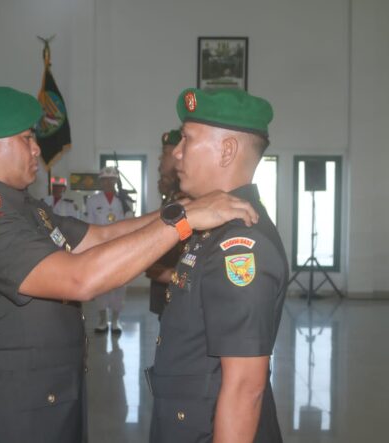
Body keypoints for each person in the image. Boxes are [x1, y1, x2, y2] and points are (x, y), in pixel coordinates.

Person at [0, 86, 259, 443]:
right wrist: (184, 222)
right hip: (11, 416)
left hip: (50, 401)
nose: (36, 149)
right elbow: (79, 279)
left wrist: (182, 210)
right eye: (27, 138)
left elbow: (103, 237)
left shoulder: (25, 209)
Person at [148, 88, 288, 443]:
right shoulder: (211, 225)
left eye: (188, 141)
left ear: (227, 150)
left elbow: (244, 388)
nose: (176, 153)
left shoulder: (240, 245)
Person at [85, 166, 134, 334]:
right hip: (100, 248)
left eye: (111, 179)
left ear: (115, 181)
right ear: (100, 181)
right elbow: (90, 224)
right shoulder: (92, 201)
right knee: (101, 285)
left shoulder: (123, 200)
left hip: (120, 249)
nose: (108, 182)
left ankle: (115, 321)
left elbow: (130, 224)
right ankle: (102, 321)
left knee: (119, 286)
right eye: (104, 179)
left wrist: (128, 208)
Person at [145, 129, 184, 318]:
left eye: (166, 153)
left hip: (176, 277)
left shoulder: (185, 197)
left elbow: (184, 237)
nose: (161, 159)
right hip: (165, 272)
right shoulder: (172, 193)